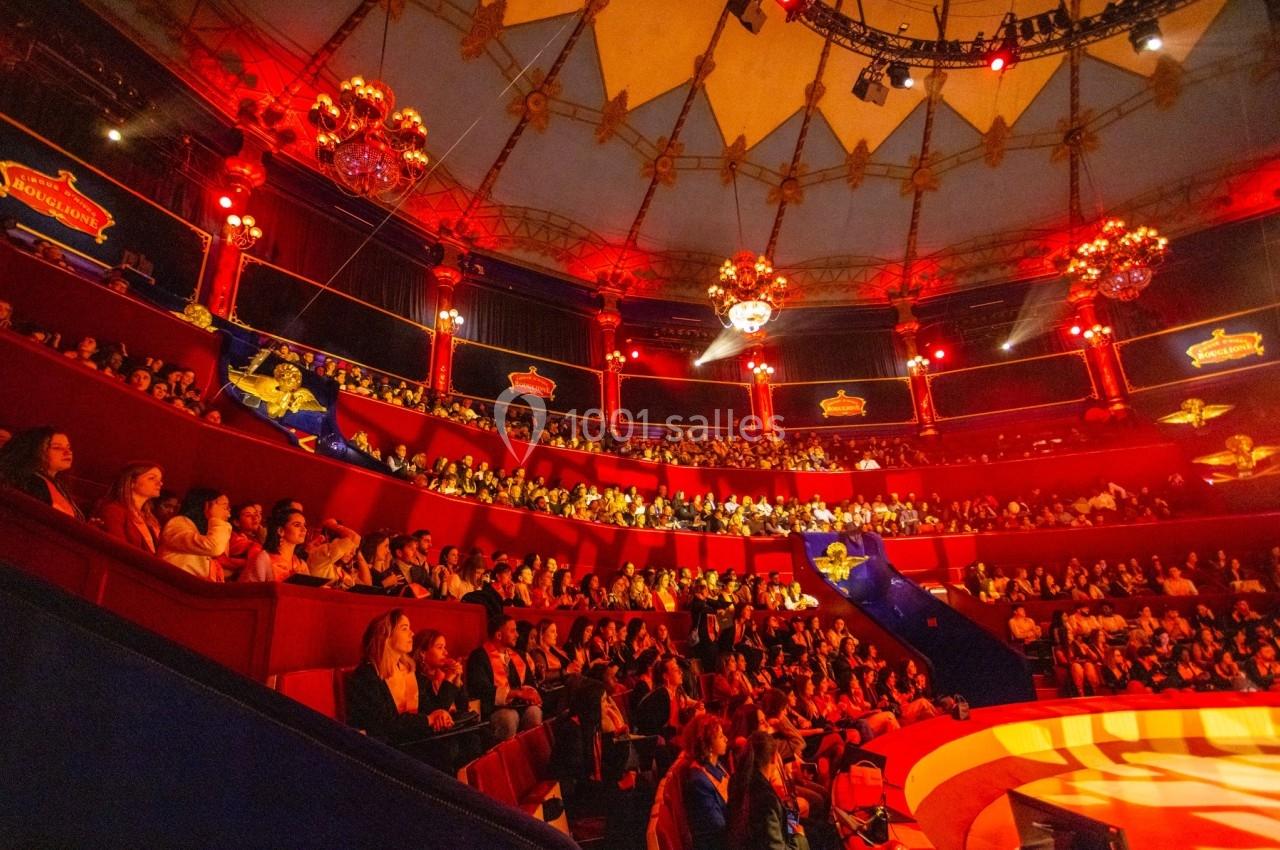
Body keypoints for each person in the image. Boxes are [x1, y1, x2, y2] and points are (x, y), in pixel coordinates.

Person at [345, 609, 435, 744]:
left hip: (410, 737)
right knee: (446, 751)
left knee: (467, 741)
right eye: (404, 629)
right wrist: (428, 719)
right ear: (385, 636)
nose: (412, 633)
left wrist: (439, 713)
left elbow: (425, 707)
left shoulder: (407, 669)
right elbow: (384, 724)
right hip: (386, 745)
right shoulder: (366, 675)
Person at [465, 614, 543, 741]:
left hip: (518, 706)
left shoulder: (519, 655)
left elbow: (530, 683)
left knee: (534, 712)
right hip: (492, 709)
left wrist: (531, 694)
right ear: (499, 635)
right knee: (508, 717)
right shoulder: (479, 657)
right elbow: (480, 689)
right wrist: (515, 693)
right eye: (512, 631)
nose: (517, 635)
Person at [728, 730, 806, 850]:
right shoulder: (766, 800)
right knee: (819, 832)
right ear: (774, 758)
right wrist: (800, 838)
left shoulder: (736, 780)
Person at [0, 427, 82, 519]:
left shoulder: (58, 485)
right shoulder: (33, 483)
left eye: (68, 447)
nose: (68, 452)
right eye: (57, 448)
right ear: (35, 451)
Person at [158, 488, 231, 580]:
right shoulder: (177, 524)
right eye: (224, 507)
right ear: (206, 506)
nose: (228, 514)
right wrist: (216, 519)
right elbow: (214, 547)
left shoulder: (200, 530)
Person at [683, 714, 731, 850]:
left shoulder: (717, 765)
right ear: (708, 745)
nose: (726, 739)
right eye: (721, 737)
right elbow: (718, 826)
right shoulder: (698, 781)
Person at [95, 462, 164, 552]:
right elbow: (118, 547)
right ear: (132, 482)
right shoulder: (114, 511)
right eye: (152, 478)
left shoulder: (150, 519)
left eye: (160, 479)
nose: (160, 483)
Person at [242, 508, 308, 582]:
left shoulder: (301, 565)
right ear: (281, 531)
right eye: (297, 525)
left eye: (304, 525)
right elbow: (250, 589)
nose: (304, 529)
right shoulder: (264, 558)